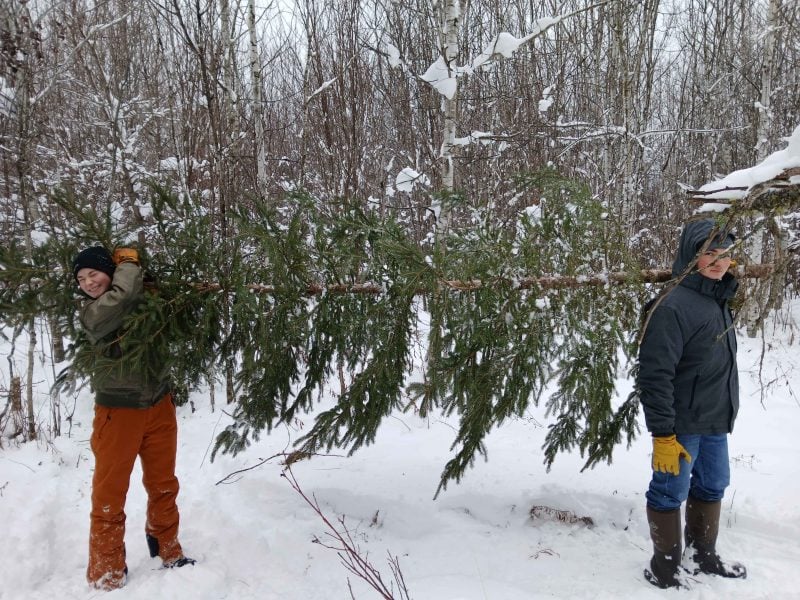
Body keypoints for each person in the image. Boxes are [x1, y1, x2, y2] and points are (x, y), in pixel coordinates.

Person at [72, 245, 195, 591]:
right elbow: (123, 293)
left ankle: (167, 547)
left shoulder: (136, 302)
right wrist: (128, 262)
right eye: (81, 279)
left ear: (107, 272)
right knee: (110, 493)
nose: (88, 283)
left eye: (93, 273)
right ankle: (107, 570)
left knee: (163, 483)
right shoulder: (95, 313)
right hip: (118, 412)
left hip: (159, 403)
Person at [637, 219, 747, 588]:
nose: (719, 262)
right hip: (681, 423)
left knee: (714, 484)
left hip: (714, 418)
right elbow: (655, 375)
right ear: (691, 255)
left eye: (726, 255)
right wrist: (663, 434)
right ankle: (664, 566)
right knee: (670, 490)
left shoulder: (717, 298)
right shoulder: (673, 306)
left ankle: (703, 556)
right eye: (709, 254)